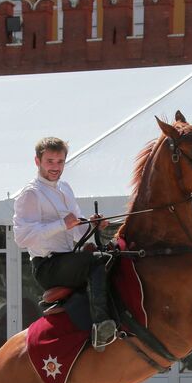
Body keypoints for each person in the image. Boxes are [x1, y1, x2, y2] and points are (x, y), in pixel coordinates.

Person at [13, 137, 117, 351]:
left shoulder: (66, 188)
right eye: (50, 161)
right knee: (97, 262)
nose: (55, 167)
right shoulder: (30, 194)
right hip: (47, 266)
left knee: (114, 257)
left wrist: (93, 225)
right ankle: (101, 326)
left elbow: (76, 230)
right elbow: (22, 238)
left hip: (68, 259)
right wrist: (61, 224)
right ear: (37, 161)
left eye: (60, 162)